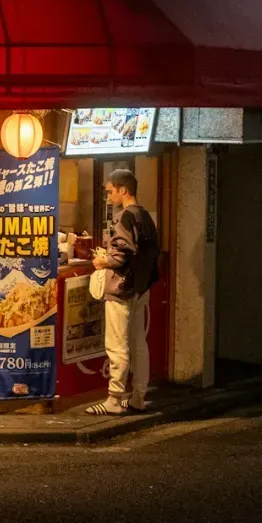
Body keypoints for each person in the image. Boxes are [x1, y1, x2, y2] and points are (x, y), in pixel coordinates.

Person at [89, 169, 160, 415]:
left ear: (123, 190)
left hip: (121, 289)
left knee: (117, 344)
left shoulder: (125, 217)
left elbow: (120, 254)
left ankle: (114, 398)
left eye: (110, 192)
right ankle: (139, 396)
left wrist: (102, 261)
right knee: (139, 343)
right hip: (141, 289)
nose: (108, 197)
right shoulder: (146, 216)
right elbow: (150, 253)